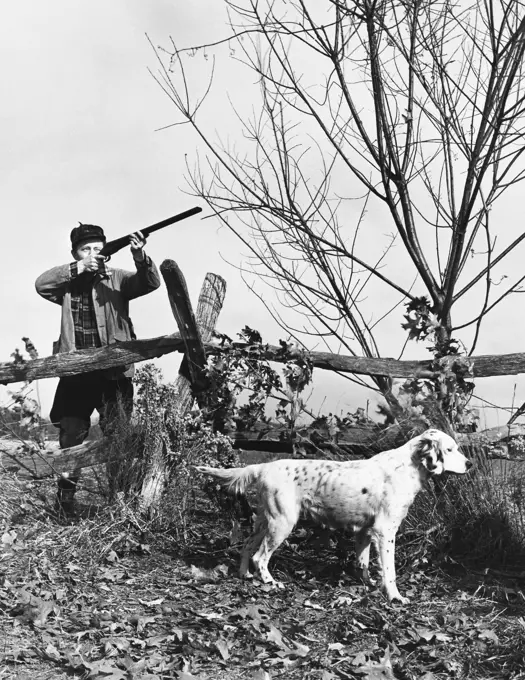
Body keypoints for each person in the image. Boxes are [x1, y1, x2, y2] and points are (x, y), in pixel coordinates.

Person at [35, 223, 161, 514]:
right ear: (75, 253)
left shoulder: (117, 278)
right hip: (75, 373)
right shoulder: (67, 282)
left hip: (113, 374)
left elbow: (150, 283)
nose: (93, 252)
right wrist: (78, 268)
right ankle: (65, 501)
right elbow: (41, 284)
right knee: (70, 438)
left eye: (97, 247)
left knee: (117, 436)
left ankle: (119, 503)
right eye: (85, 248)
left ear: (106, 250)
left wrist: (140, 255)